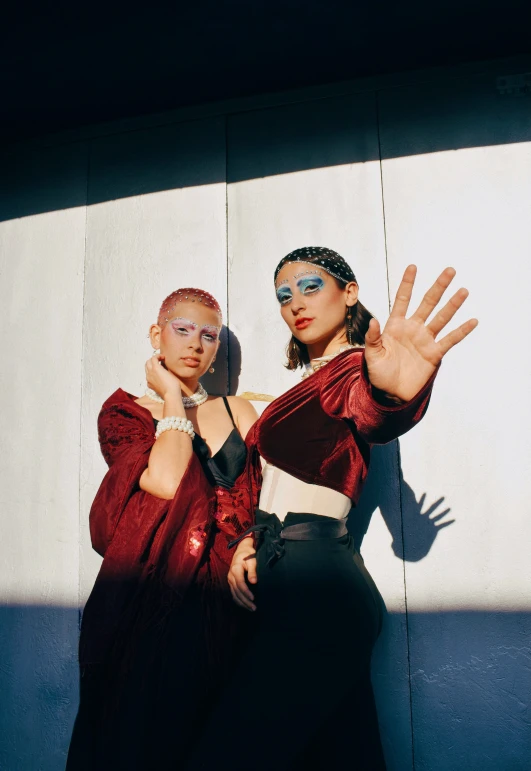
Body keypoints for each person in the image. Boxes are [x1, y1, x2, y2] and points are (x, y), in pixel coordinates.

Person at [191, 247, 477, 771]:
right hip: (291, 579)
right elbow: (265, 484)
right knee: (343, 757)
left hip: (318, 588)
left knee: (228, 754)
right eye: (283, 295)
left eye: (310, 286)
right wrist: (247, 543)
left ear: (349, 293)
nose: (294, 303)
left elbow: (372, 410)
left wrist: (395, 394)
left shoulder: (353, 371)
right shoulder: (305, 383)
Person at [66, 288, 260, 771]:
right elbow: (168, 480)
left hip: (234, 593)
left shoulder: (239, 410)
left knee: (227, 736)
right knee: (152, 734)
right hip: (158, 592)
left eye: (209, 335)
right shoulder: (125, 412)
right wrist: (174, 397)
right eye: (182, 330)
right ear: (157, 335)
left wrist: (251, 542)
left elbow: (263, 493)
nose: (196, 343)